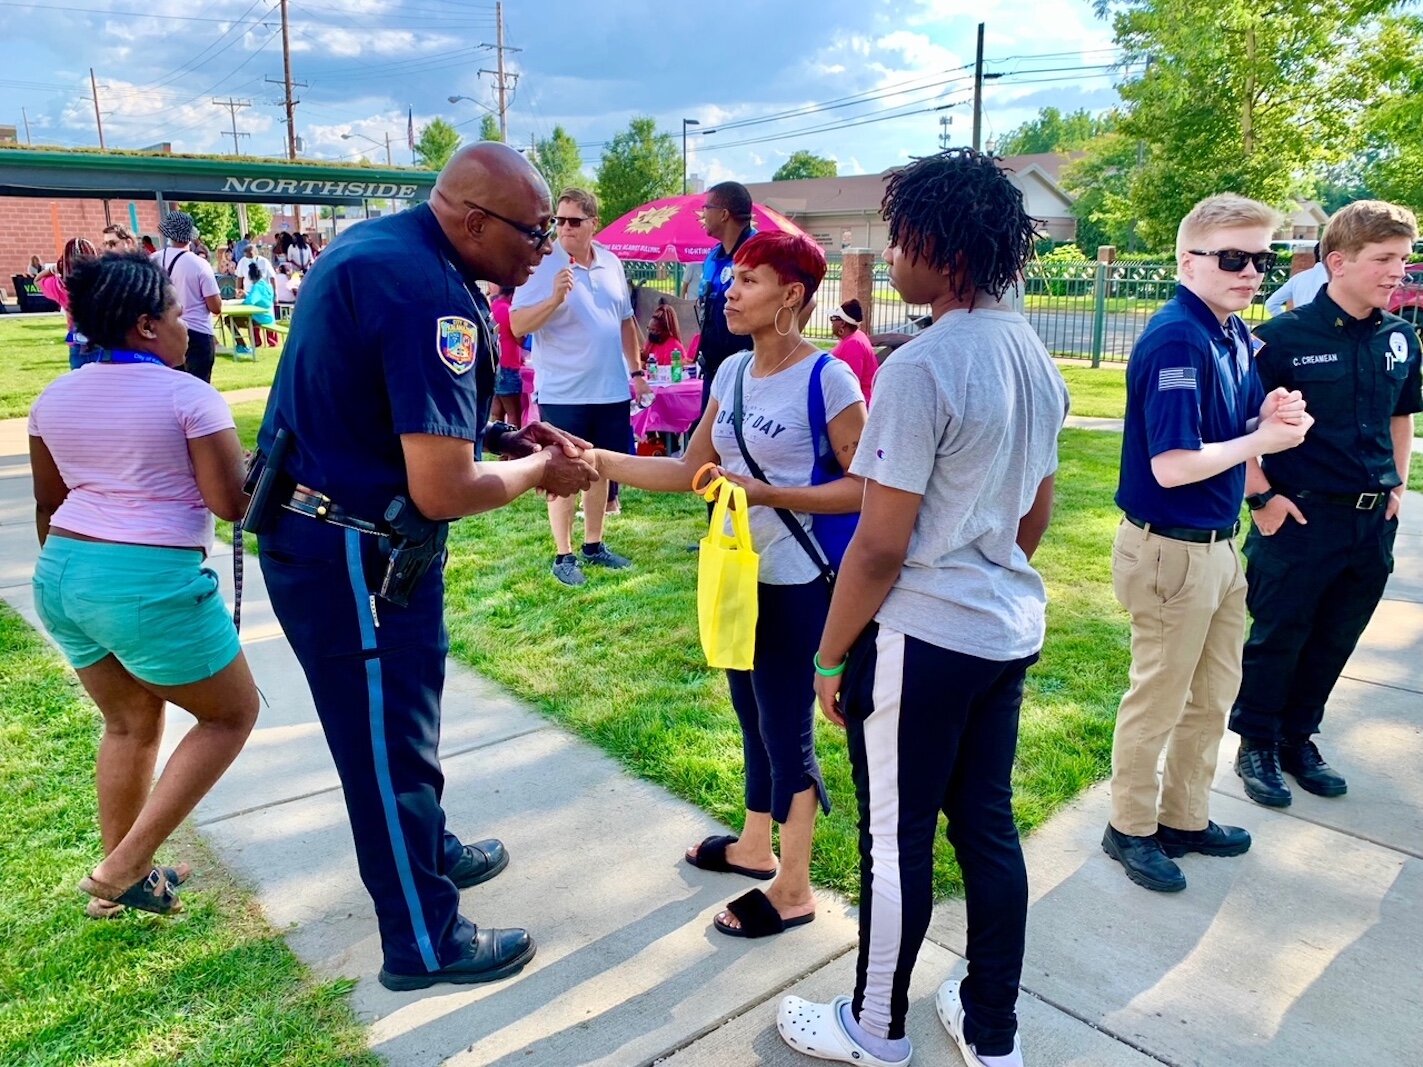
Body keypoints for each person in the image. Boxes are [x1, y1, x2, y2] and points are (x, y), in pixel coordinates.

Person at [254, 142, 596, 992]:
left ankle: (427, 849)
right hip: (350, 550)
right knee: (384, 743)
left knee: (406, 721)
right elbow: (442, 488)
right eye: (531, 232)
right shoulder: (424, 292)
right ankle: (423, 938)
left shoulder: (390, 246)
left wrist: (509, 438)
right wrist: (537, 473)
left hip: (356, 539)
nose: (542, 251)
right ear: (472, 220)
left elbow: (393, 409)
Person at [777, 147, 1068, 1067]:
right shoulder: (1033, 353)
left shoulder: (921, 366)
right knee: (985, 822)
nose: (890, 258)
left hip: (925, 637)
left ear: (939, 249)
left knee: (894, 839)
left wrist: (830, 655)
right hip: (1004, 626)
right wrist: (986, 569)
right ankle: (992, 1030)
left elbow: (877, 541)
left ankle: (874, 1027)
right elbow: (1036, 509)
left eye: (898, 240)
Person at [591, 230, 866, 941]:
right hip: (739, 570)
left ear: (793, 296)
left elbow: (867, 488)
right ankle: (752, 844)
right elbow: (689, 471)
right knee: (748, 712)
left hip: (799, 580)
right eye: (731, 279)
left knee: (784, 728)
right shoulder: (733, 373)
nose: (728, 290)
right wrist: (595, 459)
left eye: (747, 279)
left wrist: (768, 495)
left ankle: (796, 885)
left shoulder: (826, 378)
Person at [28, 251, 258, 919]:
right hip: (145, 578)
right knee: (229, 714)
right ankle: (126, 864)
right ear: (146, 327)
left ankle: (120, 881)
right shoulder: (188, 393)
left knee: (129, 723)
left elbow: (50, 503)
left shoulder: (55, 395)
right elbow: (230, 502)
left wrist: (87, 589)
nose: (185, 323)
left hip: (65, 572)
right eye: (173, 311)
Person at [1102, 195, 1314, 896]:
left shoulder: (1226, 332)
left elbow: (1236, 415)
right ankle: (1129, 826)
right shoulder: (1176, 339)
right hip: (1169, 548)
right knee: (1157, 698)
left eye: (1263, 257)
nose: (1252, 271)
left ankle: (1184, 816)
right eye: (1234, 258)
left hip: (1218, 546)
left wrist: (1269, 412)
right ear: (1186, 260)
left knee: (1213, 691)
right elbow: (1171, 464)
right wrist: (1263, 441)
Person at [1230, 200, 1422, 806]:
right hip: (1301, 516)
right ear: (1337, 262)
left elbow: (1401, 419)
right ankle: (1256, 742)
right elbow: (1235, 426)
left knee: (1336, 635)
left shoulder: (1400, 338)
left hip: (1371, 522)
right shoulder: (1280, 338)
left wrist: (1396, 485)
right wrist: (1261, 497)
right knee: (1278, 635)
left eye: (1405, 259)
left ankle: (1298, 738)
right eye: (1384, 259)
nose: (1399, 272)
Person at [510, 186, 651, 587]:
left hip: (610, 390)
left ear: (594, 224)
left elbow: (625, 321)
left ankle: (594, 544)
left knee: (600, 468)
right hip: (564, 392)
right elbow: (518, 325)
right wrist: (554, 298)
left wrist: (637, 373)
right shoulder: (544, 262)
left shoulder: (611, 262)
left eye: (574, 221)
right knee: (563, 472)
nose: (564, 228)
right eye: (559, 220)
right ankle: (563, 553)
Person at [694, 181, 758, 415]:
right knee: (707, 444)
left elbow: (806, 302)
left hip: (749, 371)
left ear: (723, 214)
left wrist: (771, 358)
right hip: (714, 370)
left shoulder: (760, 251)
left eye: (706, 208)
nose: (702, 215)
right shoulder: (713, 256)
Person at [152, 211, 223, 383]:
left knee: (168, 388)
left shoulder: (152, 260)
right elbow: (215, 307)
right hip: (197, 332)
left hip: (163, 332)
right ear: (190, 236)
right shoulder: (199, 264)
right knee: (197, 389)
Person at [36, 237, 100, 369]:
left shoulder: (60, 286)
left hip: (77, 345)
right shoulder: (104, 282)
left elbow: (38, 280)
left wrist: (54, 268)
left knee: (79, 386)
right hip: (103, 342)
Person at [488, 285, 526, 427]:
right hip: (509, 365)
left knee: (497, 411)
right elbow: (519, 338)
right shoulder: (508, 310)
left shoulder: (494, 306)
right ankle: (514, 446)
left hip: (497, 363)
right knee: (513, 413)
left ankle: (494, 445)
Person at [827, 298, 878, 403]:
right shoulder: (855, 336)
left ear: (842, 323)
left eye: (833, 318)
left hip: (857, 403)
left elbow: (850, 385)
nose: (831, 323)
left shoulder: (853, 345)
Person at [1265, 242, 1328, 316]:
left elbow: (1271, 303)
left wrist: (1289, 322)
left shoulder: (1297, 278)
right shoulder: (1337, 279)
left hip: (1300, 324)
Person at [242, 261, 280, 348]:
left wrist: (244, 299)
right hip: (270, 315)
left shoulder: (257, 287)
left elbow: (250, 302)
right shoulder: (267, 285)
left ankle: (256, 342)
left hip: (261, 317)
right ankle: (272, 341)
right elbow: (261, 298)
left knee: (248, 320)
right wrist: (247, 295)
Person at [642, 302, 686, 372]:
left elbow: (667, 371)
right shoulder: (651, 343)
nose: (651, 333)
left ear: (665, 331)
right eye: (649, 329)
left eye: (654, 330)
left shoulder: (673, 347)